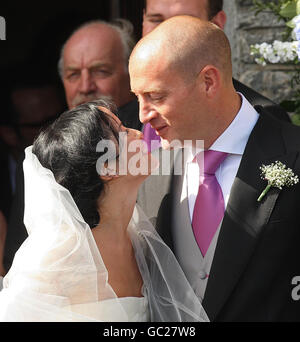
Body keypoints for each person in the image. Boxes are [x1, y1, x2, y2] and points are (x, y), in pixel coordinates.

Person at [130, 16, 300, 321]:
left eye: (155, 96)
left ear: (208, 81)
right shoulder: (148, 172)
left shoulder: (294, 151)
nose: (143, 116)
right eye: (138, 98)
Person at [0, 99, 208, 322]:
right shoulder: (57, 259)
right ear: (107, 167)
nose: (138, 133)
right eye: (122, 132)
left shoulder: (139, 241)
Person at [140, 0, 291, 149]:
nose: (164, 33)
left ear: (217, 24)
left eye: (183, 21)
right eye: (156, 20)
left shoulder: (263, 119)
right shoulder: (126, 115)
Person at [58, 19, 142, 130]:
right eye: (74, 75)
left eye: (100, 72)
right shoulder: (55, 143)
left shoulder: (156, 137)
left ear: (132, 75)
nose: (85, 88)